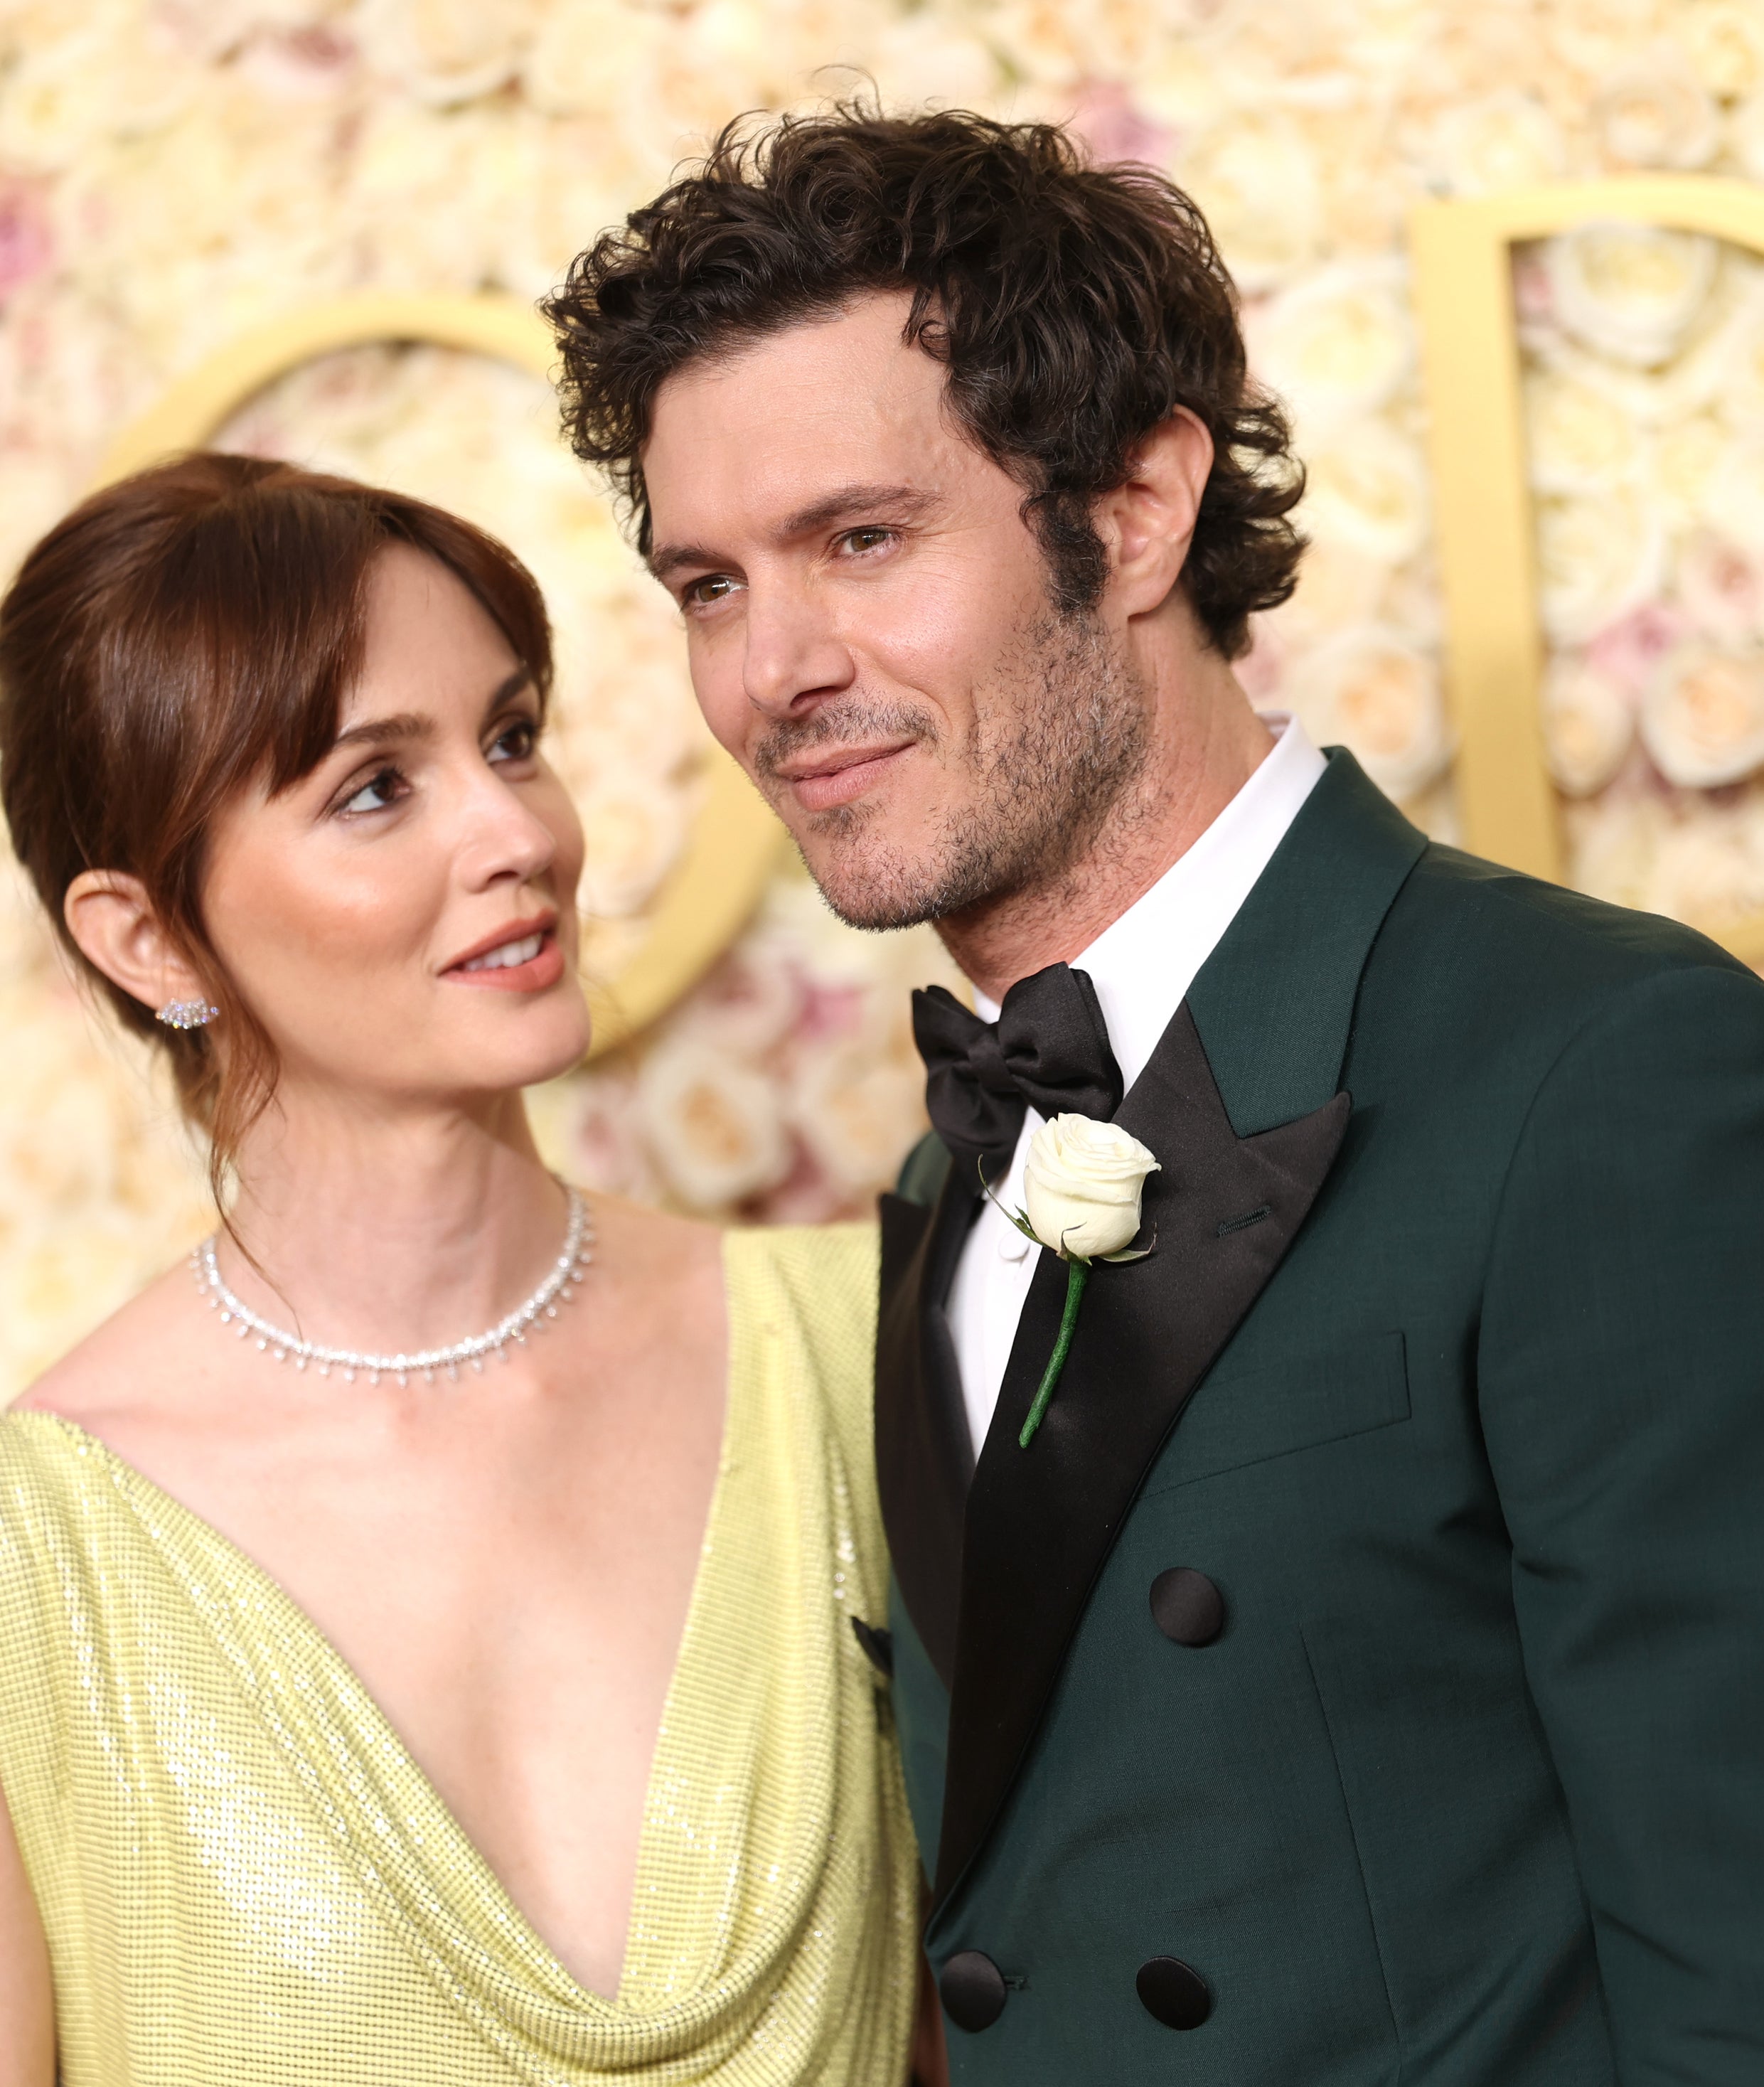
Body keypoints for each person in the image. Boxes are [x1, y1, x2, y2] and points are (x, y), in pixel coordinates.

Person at [545, 107, 1764, 2085]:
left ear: (1130, 512)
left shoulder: (1601, 1069)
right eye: (708, 584)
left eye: (860, 541)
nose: (773, 671)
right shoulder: (938, 1188)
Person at [0, 453, 920, 2086]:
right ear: (148, 939)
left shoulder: (855, 1344)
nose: (518, 832)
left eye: (509, 738)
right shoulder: (33, 1567)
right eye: (375, 786)